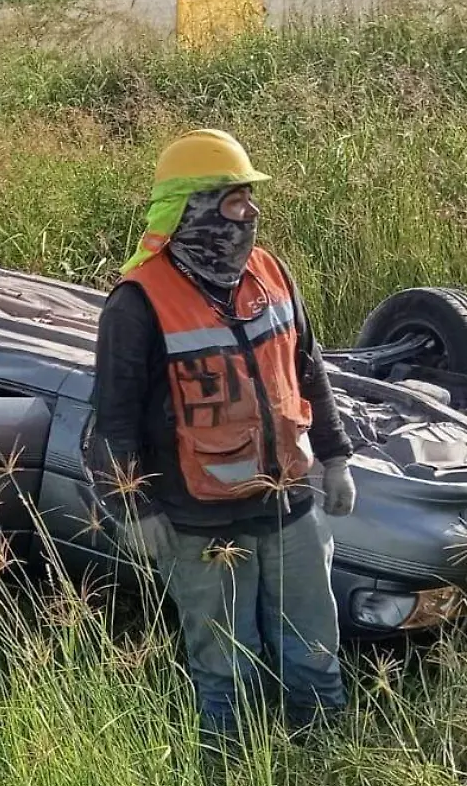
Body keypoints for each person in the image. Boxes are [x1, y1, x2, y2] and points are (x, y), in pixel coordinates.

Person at [89, 129, 359, 752]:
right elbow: (113, 421)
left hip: (289, 503)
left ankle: (324, 756)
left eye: (250, 199)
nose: (251, 214)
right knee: (224, 662)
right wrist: (136, 509)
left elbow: (308, 368)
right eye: (236, 201)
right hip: (200, 519)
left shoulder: (270, 273)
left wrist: (338, 456)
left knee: (313, 645)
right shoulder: (137, 304)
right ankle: (228, 766)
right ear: (196, 209)